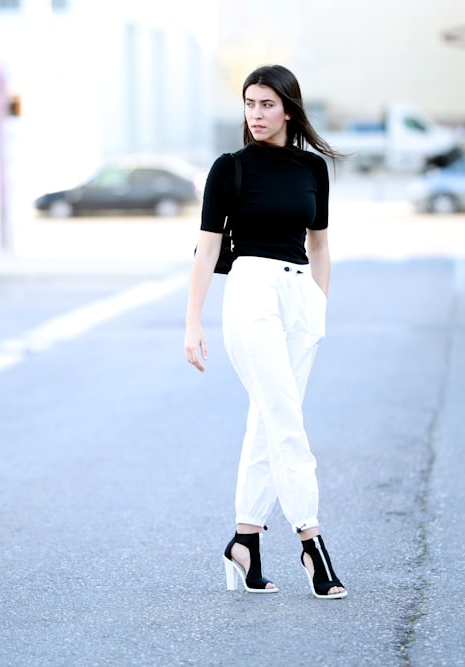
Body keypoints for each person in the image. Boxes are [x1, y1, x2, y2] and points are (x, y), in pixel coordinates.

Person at [183, 64, 347, 599]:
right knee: (286, 422)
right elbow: (207, 250)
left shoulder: (312, 169)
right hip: (250, 294)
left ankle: (245, 540)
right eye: (250, 104)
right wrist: (193, 323)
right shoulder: (229, 169)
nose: (256, 114)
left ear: (289, 109)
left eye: (267, 105)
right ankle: (311, 540)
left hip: (300, 298)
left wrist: (317, 308)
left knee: (269, 420)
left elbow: (319, 244)